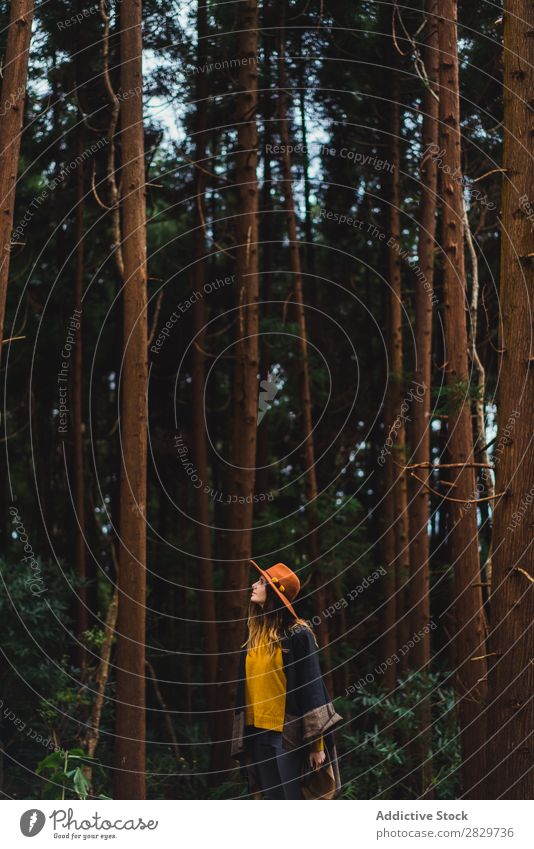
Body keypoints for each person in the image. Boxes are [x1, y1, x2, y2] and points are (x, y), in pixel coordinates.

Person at [230, 559, 343, 799]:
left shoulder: (298, 635)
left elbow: (312, 688)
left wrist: (316, 745)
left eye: (260, 582)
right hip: (256, 733)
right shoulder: (253, 637)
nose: (253, 585)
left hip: (286, 736)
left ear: (274, 591)